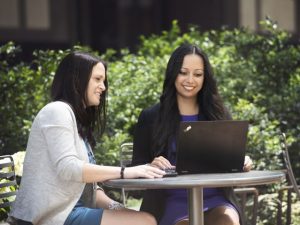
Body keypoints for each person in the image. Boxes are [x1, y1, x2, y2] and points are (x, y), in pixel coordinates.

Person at [9, 52, 166, 225]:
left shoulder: (77, 121)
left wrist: (117, 207)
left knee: (144, 218)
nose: (103, 87)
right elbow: (69, 168)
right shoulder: (57, 111)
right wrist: (125, 171)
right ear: (77, 80)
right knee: (146, 221)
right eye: (97, 79)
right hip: (51, 217)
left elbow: (89, 189)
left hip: (71, 211)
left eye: (103, 81)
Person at [131, 43, 253, 225]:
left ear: (205, 78)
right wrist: (150, 166)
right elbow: (135, 172)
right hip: (170, 202)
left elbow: (229, 159)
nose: (190, 80)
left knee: (226, 221)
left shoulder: (218, 114)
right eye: (183, 72)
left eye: (197, 74)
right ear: (173, 73)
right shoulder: (150, 117)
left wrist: (241, 160)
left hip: (217, 198)